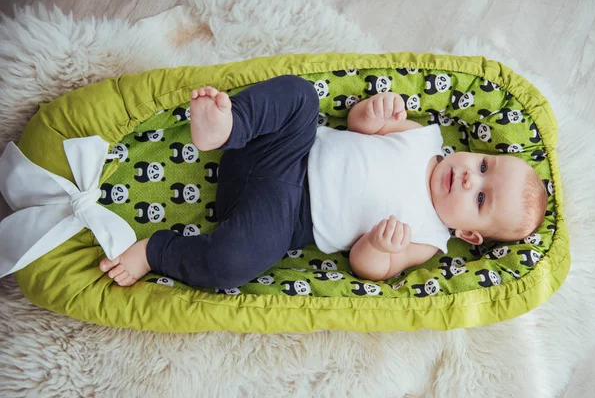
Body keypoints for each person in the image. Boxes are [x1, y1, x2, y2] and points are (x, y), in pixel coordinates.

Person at [99, 75, 548, 288]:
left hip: (281, 218)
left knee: (232, 267)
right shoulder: (423, 138)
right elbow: (356, 126)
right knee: (299, 96)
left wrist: (381, 248)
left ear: (469, 233)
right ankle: (227, 127)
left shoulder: (428, 239)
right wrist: (371, 114)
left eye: (481, 197)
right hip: (288, 150)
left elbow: (367, 268)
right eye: (484, 166)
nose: (470, 177)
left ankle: (155, 251)